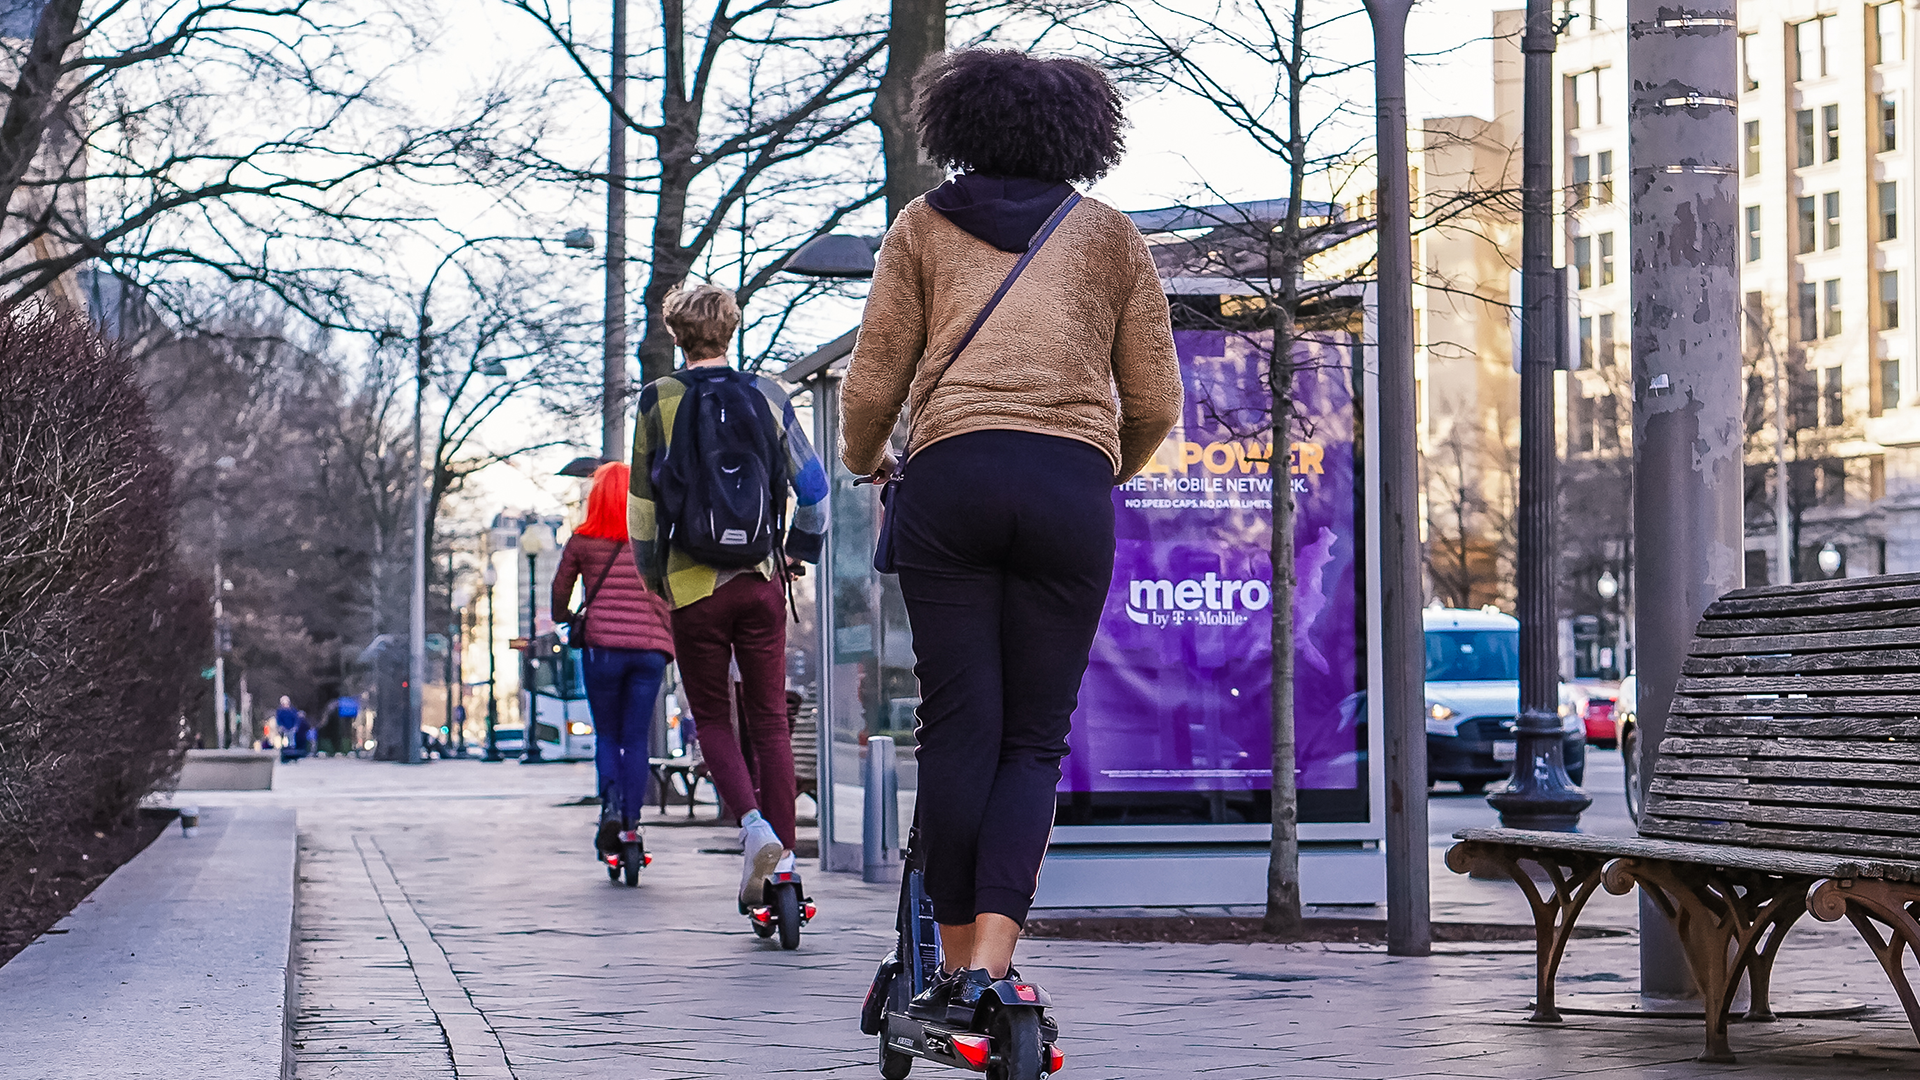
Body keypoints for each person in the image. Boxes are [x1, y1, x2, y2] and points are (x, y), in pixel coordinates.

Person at [839, 49, 1181, 1020]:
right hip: (1068, 484)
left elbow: (873, 386)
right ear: (1083, 133)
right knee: (1033, 741)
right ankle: (994, 959)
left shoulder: (921, 227)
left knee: (958, 731)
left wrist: (872, 456)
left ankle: (946, 966)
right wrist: (1099, 465)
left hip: (951, 479)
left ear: (956, 124)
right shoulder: (1109, 236)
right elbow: (1155, 398)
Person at [628, 281, 828, 911]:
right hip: (761, 579)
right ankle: (787, 871)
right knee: (770, 719)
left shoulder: (657, 400)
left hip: (694, 587)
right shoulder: (768, 394)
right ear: (730, 329)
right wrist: (796, 552)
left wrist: (657, 580)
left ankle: (753, 829)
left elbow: (641, 507)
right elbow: (816, 487)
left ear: (677, 335)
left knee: (713, 718)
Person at [554, 461, 677, 863]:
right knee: (635, 738)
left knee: (607, 735)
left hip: (603, 647)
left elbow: (559, 596)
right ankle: (631, 822)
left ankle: (609, 807)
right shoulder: (655, 538)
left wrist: (566, 617)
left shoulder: (582, 540)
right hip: (649, 650)